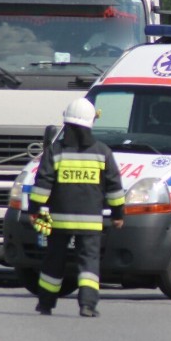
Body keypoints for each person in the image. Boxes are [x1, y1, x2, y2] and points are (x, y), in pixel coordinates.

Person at [28, 98, 125, 317]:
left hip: (59, 219)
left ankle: (45, 303)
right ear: (91, 121)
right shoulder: (102, 152)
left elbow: (42, 183)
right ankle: (87, 305)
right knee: (89, 262)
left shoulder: (56, 150)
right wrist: (118, 214)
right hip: (91, 220)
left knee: (54, 260)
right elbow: (114, 187)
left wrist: (34, 210)